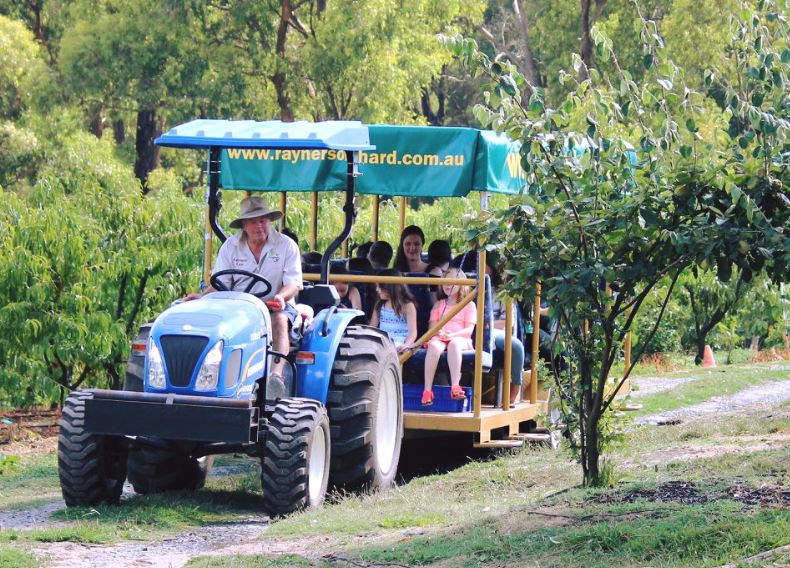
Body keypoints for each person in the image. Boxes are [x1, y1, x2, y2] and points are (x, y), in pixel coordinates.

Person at [188, 196, 302, 386]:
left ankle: (276, 377)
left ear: (269, 221)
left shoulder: (286, 245)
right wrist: (201, 298)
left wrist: (281, 297)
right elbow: (220, 282)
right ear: (244, 226)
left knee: (280, 320)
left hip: (273, 305)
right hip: (238, 307)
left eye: (263, 221)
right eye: (254, 222)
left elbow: (293, 283)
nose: (260, 226)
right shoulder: (230, 247)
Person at [421, 268, 476, 406]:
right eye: (445, 282)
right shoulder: (438, 305)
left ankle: (455, 386)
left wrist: (452, 335)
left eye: (451, 282)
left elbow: (468, 330)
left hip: (460, 338)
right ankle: (427, 391)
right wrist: (438, 332)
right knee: (433, 346)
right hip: (441, 338)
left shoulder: (469, 305)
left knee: (454, 344)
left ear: (461, 284)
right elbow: (431, 329)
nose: (447, 285)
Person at [369, 268, 417, 352]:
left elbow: (413, 332)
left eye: (379, 287)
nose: (377, 290)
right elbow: (372, 327)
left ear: (389, 287)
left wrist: (406, 344)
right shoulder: (379, 305)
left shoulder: (408, 306)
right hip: (382, 340)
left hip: (400, 341)